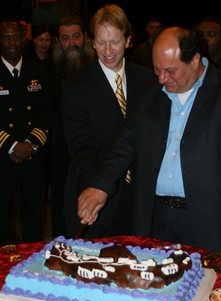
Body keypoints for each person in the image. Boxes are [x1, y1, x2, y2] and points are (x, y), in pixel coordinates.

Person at [77, 26, 221, 255]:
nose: (162, 78)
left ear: (195, 61)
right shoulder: (151, 93)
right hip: (157, 216)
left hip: (210, 218)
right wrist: (101, 185)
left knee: (207, 285)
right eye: (157, 70)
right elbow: (125, 143)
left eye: (170, 70)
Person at [61, 4, 156, 238]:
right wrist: (93, 190)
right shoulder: (75, 85)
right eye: (101, 42)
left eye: (114, 41)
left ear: (128, 40)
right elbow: (81, 147)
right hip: (98, 197)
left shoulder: (149, 81)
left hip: (140, 198)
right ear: (92, 43)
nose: (108, 50)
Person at [0, 19, 54, 245]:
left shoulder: (38, 71)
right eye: (6, 37)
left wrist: (30, 144)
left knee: (33, 213)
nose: (12, 42)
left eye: (16, 36)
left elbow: (48, 112)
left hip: (32, 155)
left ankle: (32, 261)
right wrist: (12, 145)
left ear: (23, 39)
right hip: (2, 156)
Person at [50, 14, 95, 238]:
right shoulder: (48, 73)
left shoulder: (97, 71)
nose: (71, 44)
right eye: (65, 38)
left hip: (91, 155)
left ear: (85, 38)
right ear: (58, 42)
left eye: (76, 36)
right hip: (60, 155)